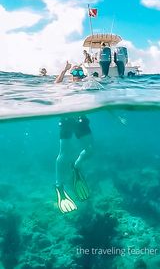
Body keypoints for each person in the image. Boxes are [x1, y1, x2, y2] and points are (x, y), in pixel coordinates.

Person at [54, 61, 93, 213]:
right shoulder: (66, 86)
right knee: (63, 154)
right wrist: (64, 70)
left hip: (81, 121)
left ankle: (76, 167)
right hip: (66, 121)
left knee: (90, 150)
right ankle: (59, 186)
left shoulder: (87, 86)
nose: (77, 76)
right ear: (71, 76)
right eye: (74, 73)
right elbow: (55, 85)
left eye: (79, 73)